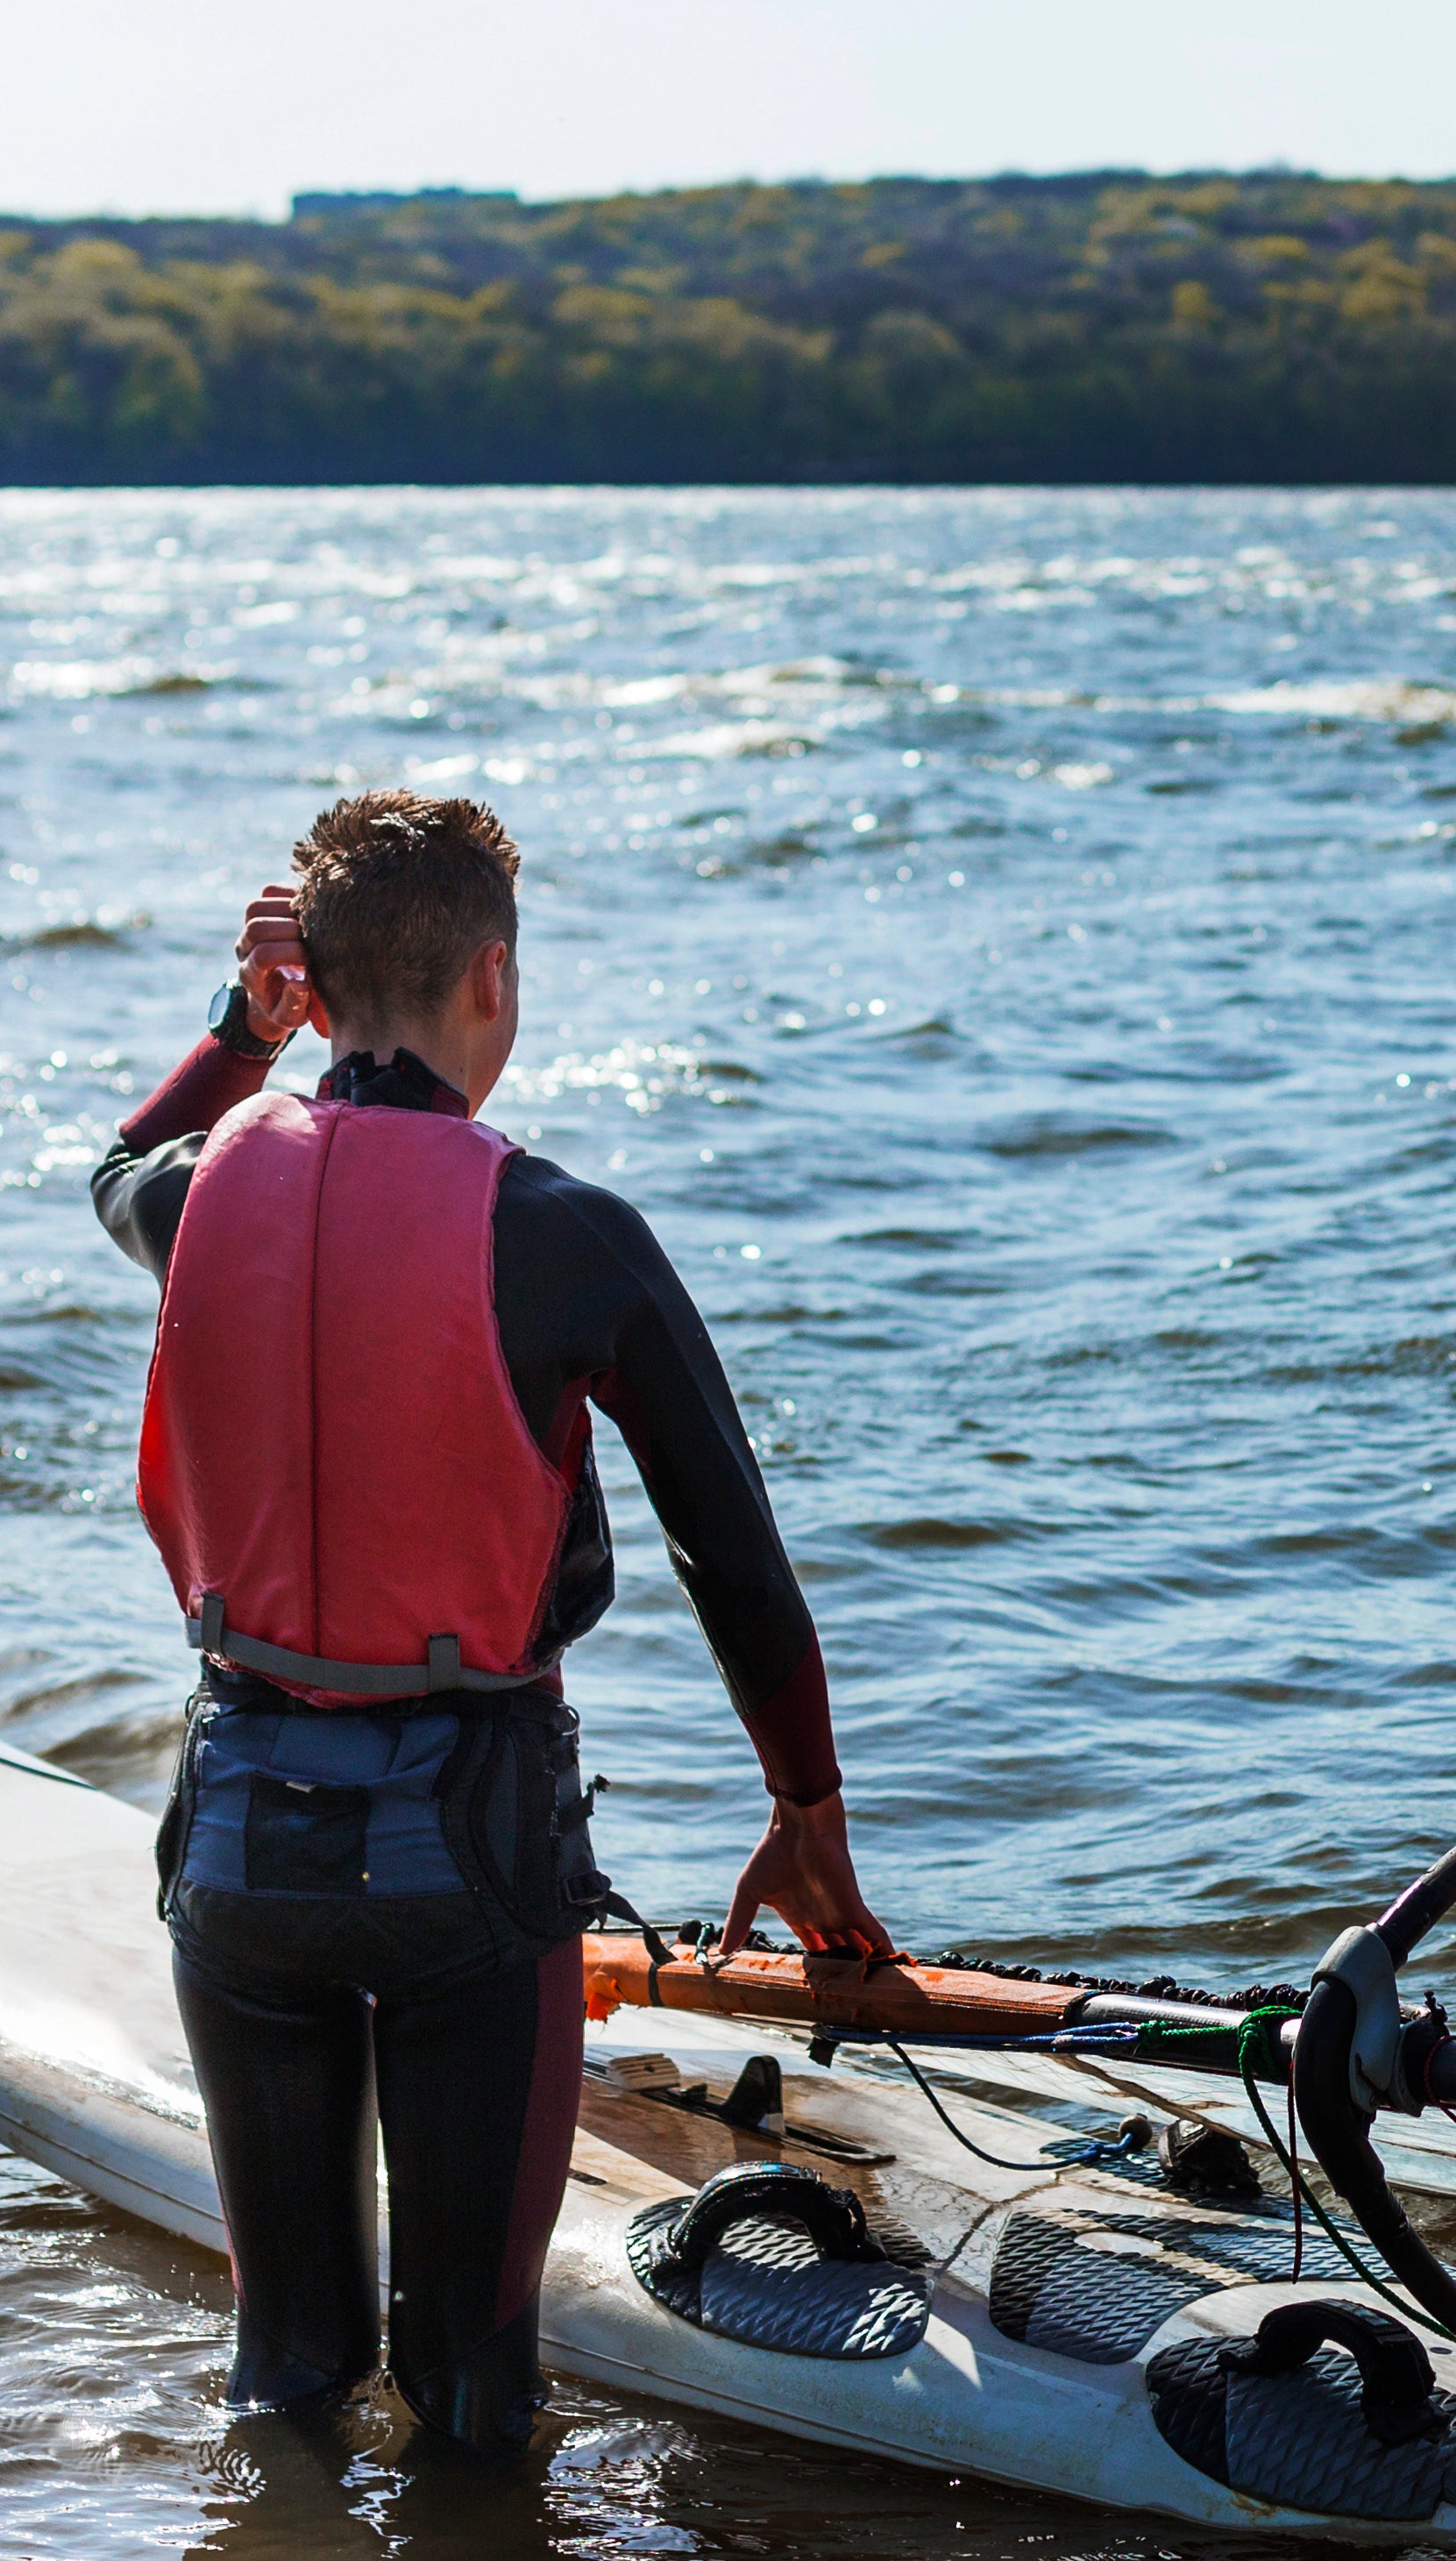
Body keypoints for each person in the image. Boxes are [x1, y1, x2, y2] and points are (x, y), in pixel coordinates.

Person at [91, 789, 889, 2459]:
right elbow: (729, 1558)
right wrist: (805, 1819)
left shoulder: (199, 1195)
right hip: (464, 1863)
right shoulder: (560, 1234)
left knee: (285, 2368)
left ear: (306, 981)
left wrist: (238, 1039)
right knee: (468, 2387)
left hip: (238, 1847)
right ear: (493, 981)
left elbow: (112, 1168)